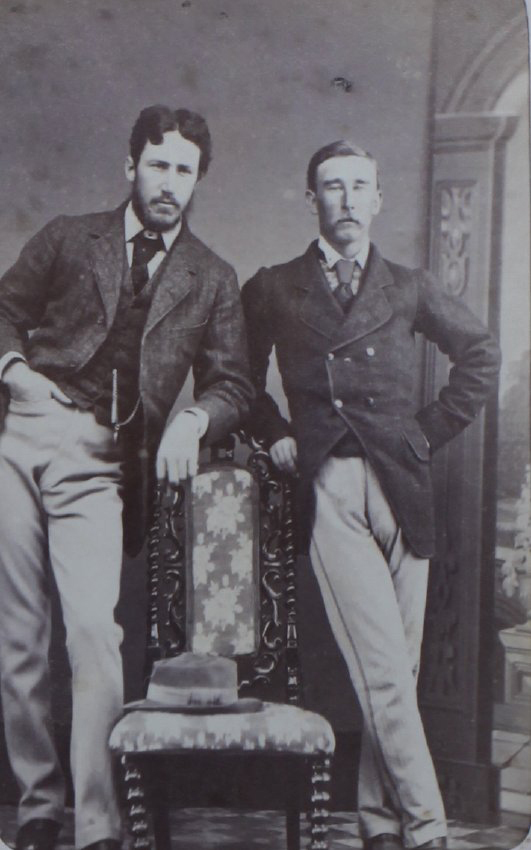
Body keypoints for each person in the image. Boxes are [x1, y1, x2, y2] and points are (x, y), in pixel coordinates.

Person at [0, 105, 253, 850]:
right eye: (157, 164)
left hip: (107, 460)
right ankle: (41, 806)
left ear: (198, 178)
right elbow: (2, 311)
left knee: (91, 632)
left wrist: (193, 419)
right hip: (21, 434)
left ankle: (100, 825)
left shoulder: (211, 277)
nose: (169, 182)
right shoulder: (68, 235)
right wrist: (13, 372)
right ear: (129, 167)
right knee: (17, 633)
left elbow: (234, 382)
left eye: (184, 169)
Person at [241, 140, 500, 850]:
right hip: (329, 487)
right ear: (310, 197)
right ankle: (426, 830)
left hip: (405, 488)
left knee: (394, 674)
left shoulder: (407, 284)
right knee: (384, 671)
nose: (348, 199)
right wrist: (276, 433)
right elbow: (236, 379)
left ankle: (377, 824)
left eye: (360, 186)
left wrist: (430, 430)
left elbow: (479, 354)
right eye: (332, 185)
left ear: (378, 198)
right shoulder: (273, 286)